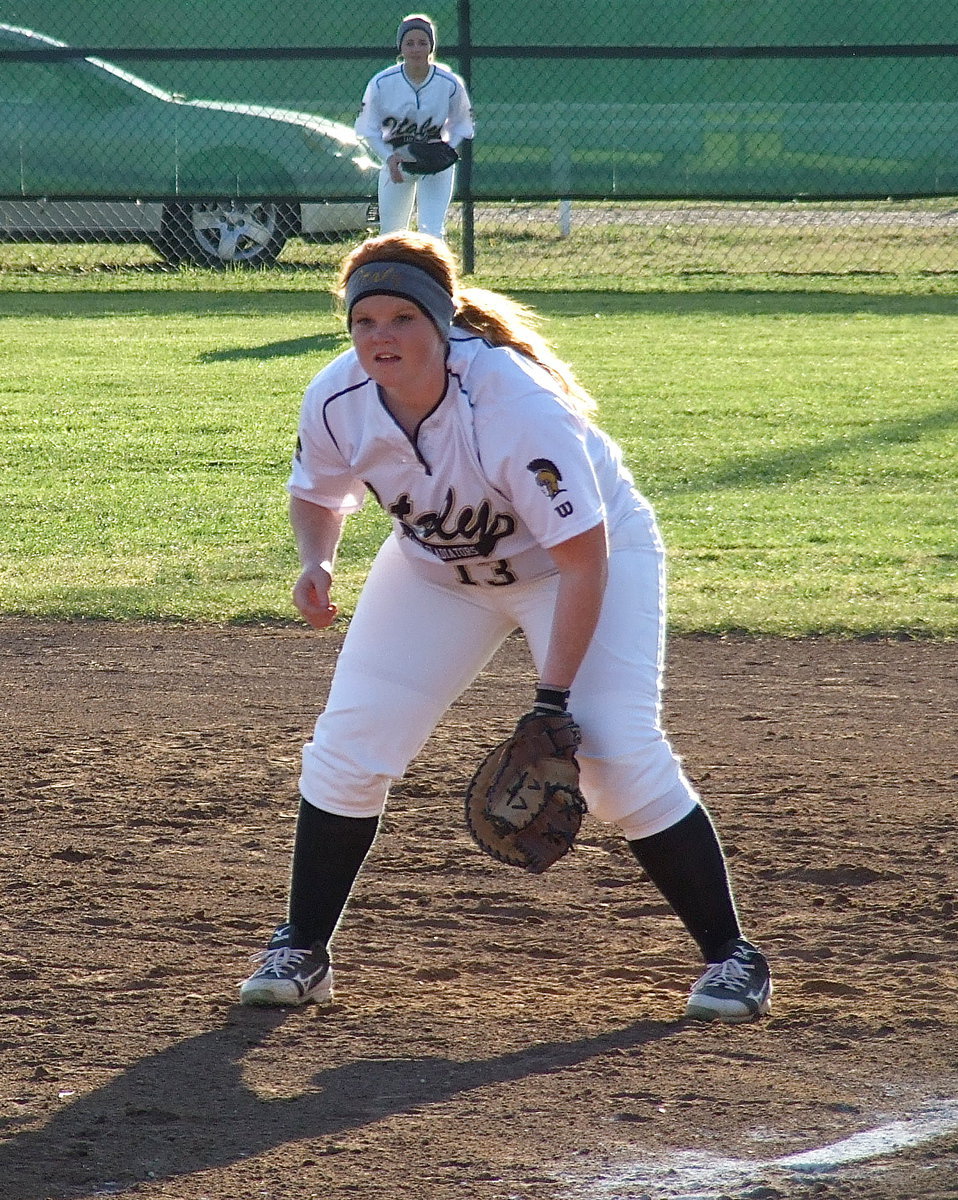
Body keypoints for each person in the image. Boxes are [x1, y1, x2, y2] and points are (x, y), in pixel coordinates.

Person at [238, 231, 773, 1024]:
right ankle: (302, 946)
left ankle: (735, 958)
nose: (380, 338)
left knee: (614, 753)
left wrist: (552, 699)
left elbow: (585, 561)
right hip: (436, 574)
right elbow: (318, 492)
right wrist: (317, 561)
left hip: (577, 565)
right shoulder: (336, 396)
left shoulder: (510, 402)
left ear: (442, 321)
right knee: (350, 744)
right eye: (364, 322)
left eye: (400, 320)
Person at [354, 13, 474, 241]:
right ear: (400, 47)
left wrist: (448, 148)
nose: (416, 49)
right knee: (391, 233)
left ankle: (433, 277)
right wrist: (388, 158)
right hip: (397, 162)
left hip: (436, 164)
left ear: (431, 47)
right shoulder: (381, 82)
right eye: (409, 43)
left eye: (423, 43)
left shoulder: (449, 83)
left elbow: (463, 124)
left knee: (432, 232)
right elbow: (367, 129)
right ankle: (394, 277)